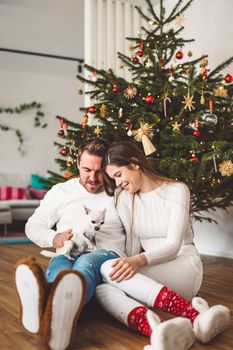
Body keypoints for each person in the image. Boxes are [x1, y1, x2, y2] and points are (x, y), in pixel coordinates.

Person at [95, 140, 230, 349]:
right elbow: (132, 244)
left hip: (183, 264)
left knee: (108, 272)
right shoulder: (124, 198)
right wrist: (126, 266)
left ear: (134, 163)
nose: (118, 183)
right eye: (114, 178)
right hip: (153, 271)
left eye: (119, 175)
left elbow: (174, 245)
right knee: (104, 286)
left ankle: (195, 315)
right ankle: (159, 331)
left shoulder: (177, 190)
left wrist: (138, 261)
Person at [14, 138, 126, 350]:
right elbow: (33, 225)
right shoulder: (61, 191)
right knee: (60, 273)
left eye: (99, 170)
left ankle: (43, 308)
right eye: (86, 169)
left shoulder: (120, 193)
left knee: (84, 265)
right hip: (66, 252)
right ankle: (54, 316)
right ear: (77, 164)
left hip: (103, 255)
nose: (92, 178)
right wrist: (53, 239)